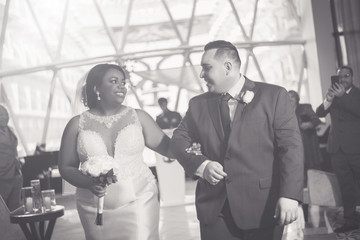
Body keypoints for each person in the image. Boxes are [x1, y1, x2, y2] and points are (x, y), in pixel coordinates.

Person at [171, 40, 304, 240]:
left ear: (227, 67)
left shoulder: (274, 96)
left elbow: (291, 148)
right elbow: (179, 141)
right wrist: (202, 165)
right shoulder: (198, 105)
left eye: (206, 68)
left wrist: (290, 195)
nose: (201, 74)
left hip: (263, 206)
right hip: (215, 209)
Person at [59, 64, 172, 240]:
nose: (122, 86)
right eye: (114, 81)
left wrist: (191, 138)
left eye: (123, 82)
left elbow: (168, 148)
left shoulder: (139, 117)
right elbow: (66, 167)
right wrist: (88, 182)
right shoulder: (76, 124)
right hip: (94, 205)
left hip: (140, 197)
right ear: (97, 88)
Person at [316, 66, 360, 233]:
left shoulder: (357, 94)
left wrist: (343, 98)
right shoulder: (334, 95)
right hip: (337, 149)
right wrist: (328, 99)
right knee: (345, 186)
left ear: (352, 77)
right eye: (340, 76)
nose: (343, 79)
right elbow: (319, 112)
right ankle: (350, 219)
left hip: (356, 148)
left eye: (346, 76)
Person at [288, 90, 322, 186]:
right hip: (295, 147)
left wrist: (308, 124)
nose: (289, 99)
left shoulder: (305, 107)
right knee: (299, 175)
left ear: (297, 99)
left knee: (313, 174)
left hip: (308, 146)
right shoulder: (286, 112)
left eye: (292, 97)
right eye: (288, 97)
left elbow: (316, 121)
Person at [0, 105, 23, 211]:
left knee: (15, 206)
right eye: (1, 114)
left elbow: (13, 149)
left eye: (6, 114)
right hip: (2, 175)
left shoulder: (11, 129)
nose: (4, 117)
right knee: (3, 207)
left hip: (16, 172)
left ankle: (17, 228)